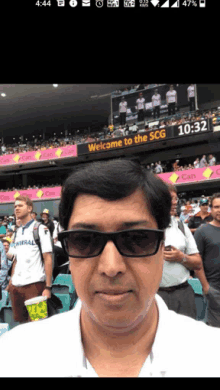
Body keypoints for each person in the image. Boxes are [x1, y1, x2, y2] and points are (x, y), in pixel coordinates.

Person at [1, 160, 220, 377]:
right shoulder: (14, 357)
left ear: (162, 246)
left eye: (136, 239)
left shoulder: (210, 356)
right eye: (85, 240)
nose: (111, 267)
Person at [157, 184, 202, 320]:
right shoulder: (144, 227)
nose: (174, 203)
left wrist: (181, 257)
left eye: (176, 199)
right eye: (170, 198)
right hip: (155, 296)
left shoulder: (181, 227)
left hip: (183, 293)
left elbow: (198, 263)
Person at [7, 195, 53, 324]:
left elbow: (48, 258)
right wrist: (11, 280)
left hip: (34, 285)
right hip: (16, 287)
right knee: (21, 326)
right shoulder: (17, 232)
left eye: (20, 206)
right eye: (15, 206)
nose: (16, 208)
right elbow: (16, 258)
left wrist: (48, 287)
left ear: (29, 208)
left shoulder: (40, 229)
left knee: (37, 325)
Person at [194, 193, 220, 327]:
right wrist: (206, 287)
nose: (219, 210)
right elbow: (197, 261)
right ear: (211, 209)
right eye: (216, 207)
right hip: (215, 289)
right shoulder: (202, 231)